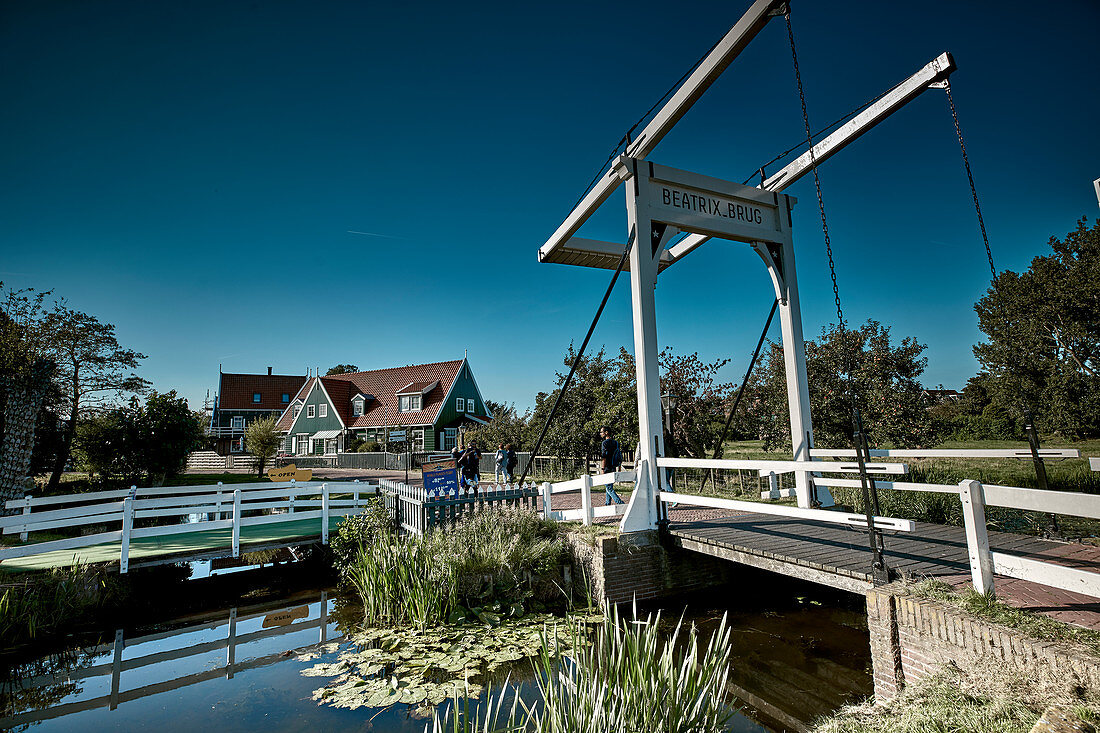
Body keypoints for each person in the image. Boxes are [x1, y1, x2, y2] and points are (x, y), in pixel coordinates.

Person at [599, 426, 624, 505]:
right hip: (613, 467)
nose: (600, 434)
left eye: (601, 432)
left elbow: (604, 457)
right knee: (609, 486)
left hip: (607, 467)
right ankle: (607, 503)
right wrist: (619, 467)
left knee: (609, 488)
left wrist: (602, 469)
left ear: (606, 433)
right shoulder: (616, 443)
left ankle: (620, 503)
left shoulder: (605, 443)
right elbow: (619, 456)